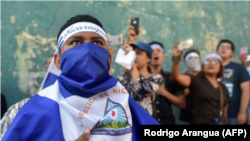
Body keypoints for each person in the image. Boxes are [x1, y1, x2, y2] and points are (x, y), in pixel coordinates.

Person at [2, 14, 159, 141]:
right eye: (76, 42)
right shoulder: (22, 112)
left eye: (97, 43)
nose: (88, 49)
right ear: (58, 60)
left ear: (109, 60)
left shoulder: (133, 110)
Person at [171, 41, 229, 125]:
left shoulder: (223, 88)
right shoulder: (196, 81)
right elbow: (177, 77)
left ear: (220, 67)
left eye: (215, 61)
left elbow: (225, 111)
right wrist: (177, 58)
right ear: (203, 68)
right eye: (207, 61)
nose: (211, 63)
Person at [117, 41, 163, 117]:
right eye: (133, 53)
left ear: (148, 58)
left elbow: (140, 88)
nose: (134, 56)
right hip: (127, 125)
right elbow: (110, 89)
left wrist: (132, 63)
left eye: (138, 53)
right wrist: (109, 56)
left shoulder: (156, 78)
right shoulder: (124, 78)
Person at [148, 41, 186, 125]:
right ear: (147, 58)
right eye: (152, 51)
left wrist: (164, 93)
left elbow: (182, 104)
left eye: (158, 51)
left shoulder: (170, 78)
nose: (155, 53)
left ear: (163, 57)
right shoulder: (140, 78)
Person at [216, 39, 250, 125]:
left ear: (232, 53)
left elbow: (246, 90)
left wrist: (242, 112)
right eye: (221, 47)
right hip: (213, 114)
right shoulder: (210, 67)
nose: (224, 49)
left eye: (227, 47)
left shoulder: (239, 68)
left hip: (234, 114)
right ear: (217, 51)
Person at [178, 49, 201, 125]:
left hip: (203, 118)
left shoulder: (205, 77)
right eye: (190, 58)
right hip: (185, 117)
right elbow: (177, 96)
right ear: (185, 61)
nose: (193, 60)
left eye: (195, 57)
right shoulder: (180, 78)